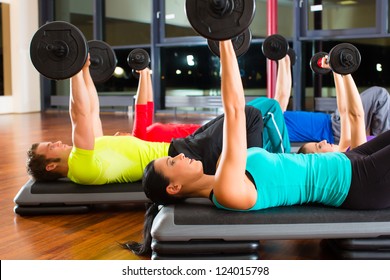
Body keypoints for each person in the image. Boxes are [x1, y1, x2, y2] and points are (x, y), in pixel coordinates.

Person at [124, 39, 390, 256]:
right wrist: (225, 42)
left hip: (352, 162)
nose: (179, 155)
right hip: (355, 183)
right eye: (172, 163)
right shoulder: (227, 189)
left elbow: (351, 115)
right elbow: (235, 112)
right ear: (174, 188)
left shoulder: (221, 170)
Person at [26, 55, 265, 184]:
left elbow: (92, 109)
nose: (57, 142)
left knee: (243, 116)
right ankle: (254, 176)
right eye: (51, 147)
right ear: (51, 165)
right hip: (182, 156)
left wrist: (84, 71)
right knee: (250, 115)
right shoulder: (82, 165)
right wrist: (73, 69)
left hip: (184, 145)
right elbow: (81, 115)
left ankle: (255, 165)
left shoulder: (90, 151)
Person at [298, 56, 369, 153]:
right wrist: (345, 71)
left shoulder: (343, 147)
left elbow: (343, 111)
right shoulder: (352, 157)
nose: (323, 141)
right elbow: (356, 116)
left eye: (318, 142)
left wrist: (335, 69)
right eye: (319, 146)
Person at [118, 67, 201, 143]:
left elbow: (148, 104)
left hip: (197, 129)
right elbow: (140, 109)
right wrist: (143, 74)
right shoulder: (138, 139)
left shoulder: (144, 134)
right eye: (118, 135)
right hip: (200, 136)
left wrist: (146, 75)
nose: (119, 132)